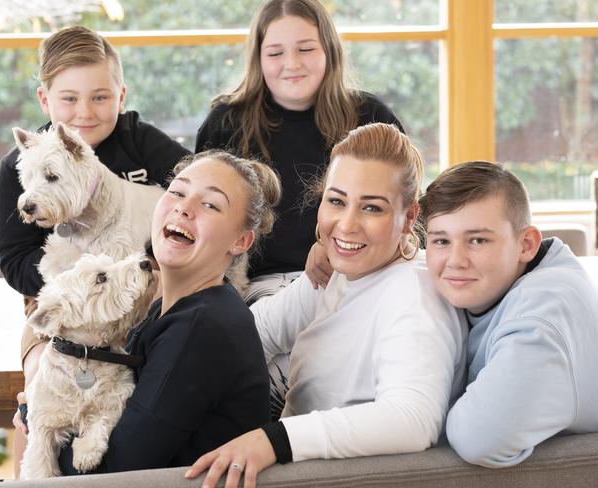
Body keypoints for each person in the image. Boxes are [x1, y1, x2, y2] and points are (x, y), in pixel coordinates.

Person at [185, 123, 466, 488]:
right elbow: (252, 334)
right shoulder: (337, 271)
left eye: (372, 208)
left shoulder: (414, 294)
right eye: (336, 201)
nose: (346, 225)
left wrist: (276, 439)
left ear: (409, 217)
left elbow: (412, 420)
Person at [0, 26, 190, 475]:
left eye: (100, 97)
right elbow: (16, 263)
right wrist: (85, 281)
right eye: (69, 99)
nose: (84, 112)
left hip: (145, 292)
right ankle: (36, 448)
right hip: (61, 306)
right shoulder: (21, 165)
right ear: (45, 101)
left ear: (121, 95)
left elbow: (197, 187)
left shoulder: (142, 143)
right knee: (43, 377)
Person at [52, 151, 279, 474]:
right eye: (177, 191)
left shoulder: (201, 327)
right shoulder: (166, 309)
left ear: (241, 241)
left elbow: (119, 469)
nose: (184, 208)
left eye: (210, 204)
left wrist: (43, 429)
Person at [195, 0, 403, 303]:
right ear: (259, 59)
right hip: (257, 286)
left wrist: (333, 246)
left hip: (354, 276)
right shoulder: (225, 123)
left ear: (329, 51)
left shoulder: (371, 116)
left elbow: (406, 212)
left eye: (305, 49)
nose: (291, 63)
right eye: (276, 53)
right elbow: (202, 219)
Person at [419, 161, 598, 468]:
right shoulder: (489, 288)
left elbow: (480, 437)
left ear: (526, 244)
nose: (456, 260)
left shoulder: (543, 312)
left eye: (478, 240)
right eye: (441, 241)